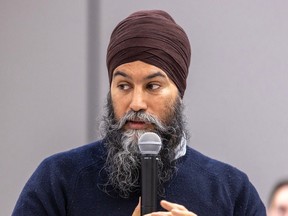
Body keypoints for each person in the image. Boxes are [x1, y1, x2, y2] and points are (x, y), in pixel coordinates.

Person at [12, 10, 266, 216]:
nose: (136, 103)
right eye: (123, 86)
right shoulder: (60, 179)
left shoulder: (232, 190)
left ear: (179, 92)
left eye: (152, 86)